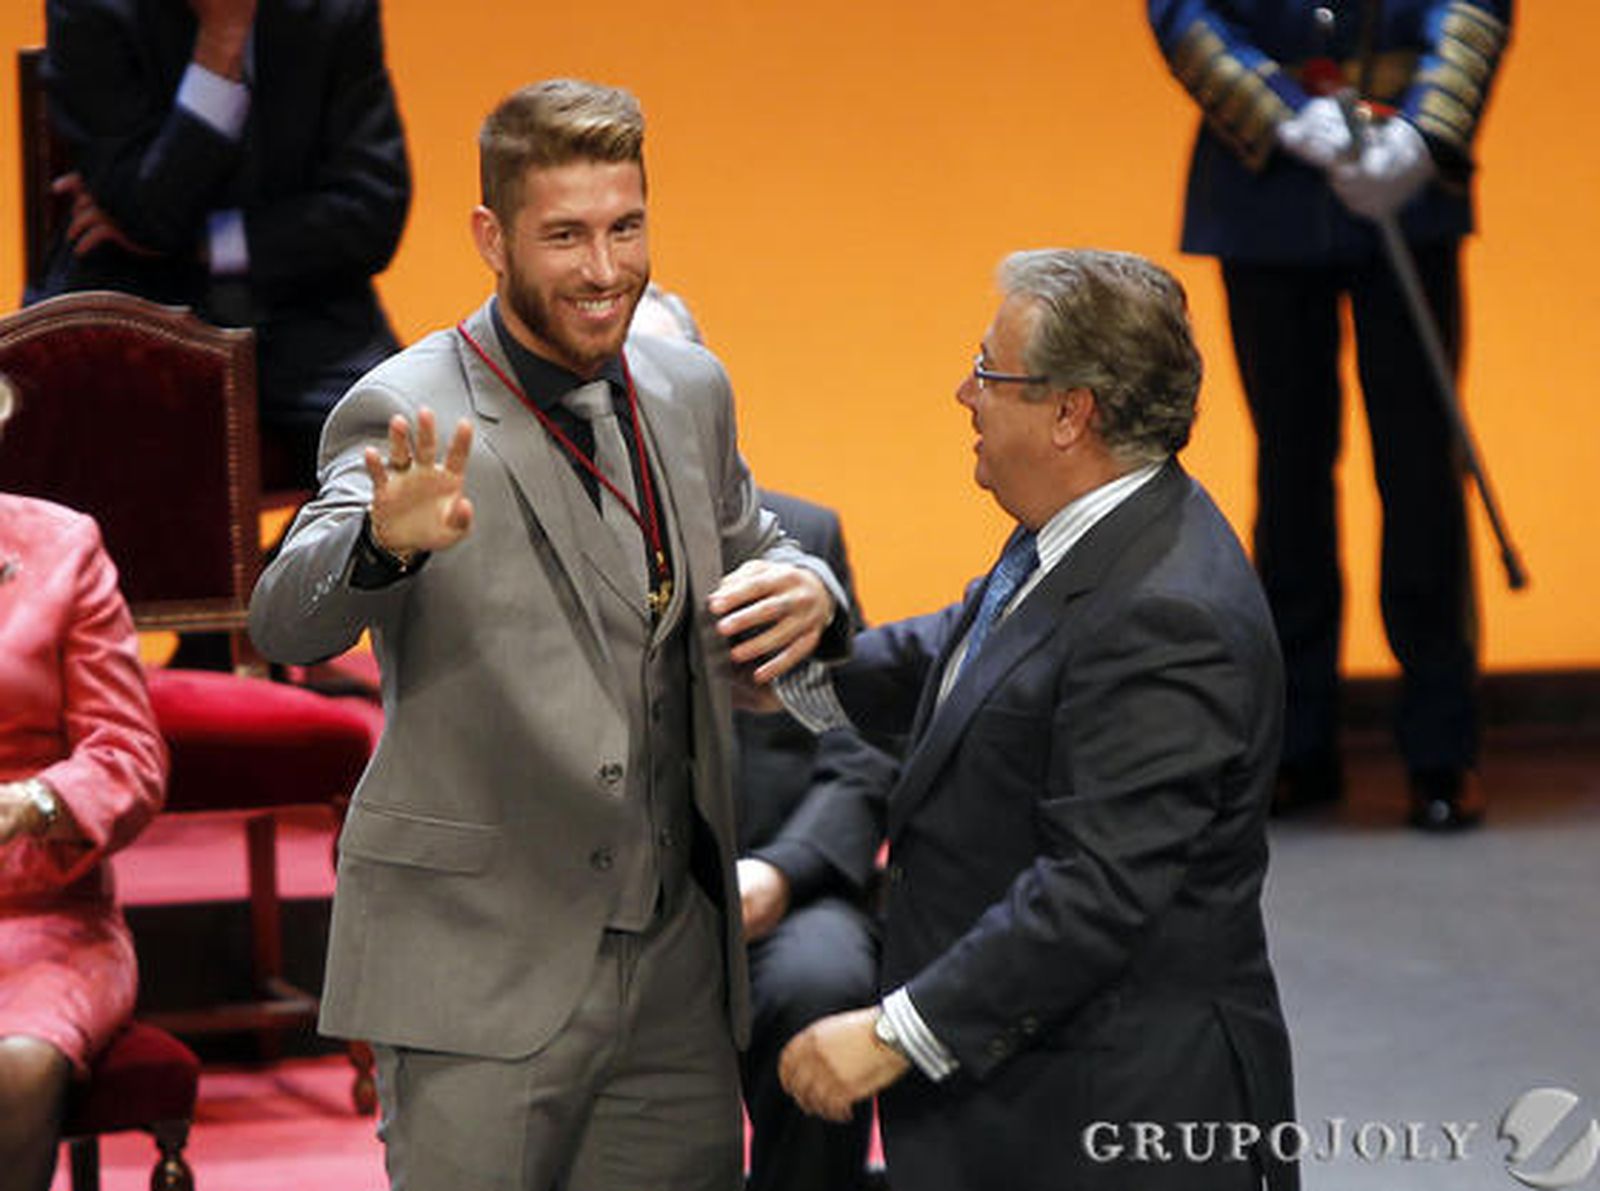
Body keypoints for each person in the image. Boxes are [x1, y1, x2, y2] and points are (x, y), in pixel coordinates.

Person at [247, 79, 846, 1191]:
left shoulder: (687, 387)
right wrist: (382, 546)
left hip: (675, 964)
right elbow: (284, 611)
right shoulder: (405, 406)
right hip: (481, 963)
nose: (605, 269)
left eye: (626, 227)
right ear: (491, 237)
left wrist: (813, 595)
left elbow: (758, 543)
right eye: (565, 235)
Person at [758, 250, 1298, 1191]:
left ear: (1069, 413)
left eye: (989, 369)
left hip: (1114, 1120)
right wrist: (789, 665)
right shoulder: (1089, 530)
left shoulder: (1171, 613)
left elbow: (1097, 888)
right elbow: (961, 656)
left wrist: (896, 1033)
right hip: (1042, 1097)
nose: (964, 390)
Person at [1147, 0, 1512, 830]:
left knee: (1422, 472)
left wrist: (1424, 133)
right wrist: (1282, 113)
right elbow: (1183, 11)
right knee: (1290, 472)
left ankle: (1441, 744)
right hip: (1268, 189)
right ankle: (1295, 741)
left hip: (1403, 184)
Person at [630, 285, 896, 1191]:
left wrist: (781, 873)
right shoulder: (543, 549)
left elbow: (860, 746)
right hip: (604, 902)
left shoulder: (797, 540)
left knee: (822, 981)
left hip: (775, 884)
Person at [38, 0, 412, 492]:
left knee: (412, 454)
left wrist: (209, 243)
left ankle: (288, 573)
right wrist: (222, 43)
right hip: (135, 310)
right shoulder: (90, 10)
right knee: (91, 468)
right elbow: (151, 214)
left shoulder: (337, 10)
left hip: (304, 316)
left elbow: (372, 215)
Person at [0, 375, 169, 1191]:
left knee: (18, 1065)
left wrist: (29, 803)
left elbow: (129, 755)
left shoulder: (61, 548)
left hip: (44, 916)